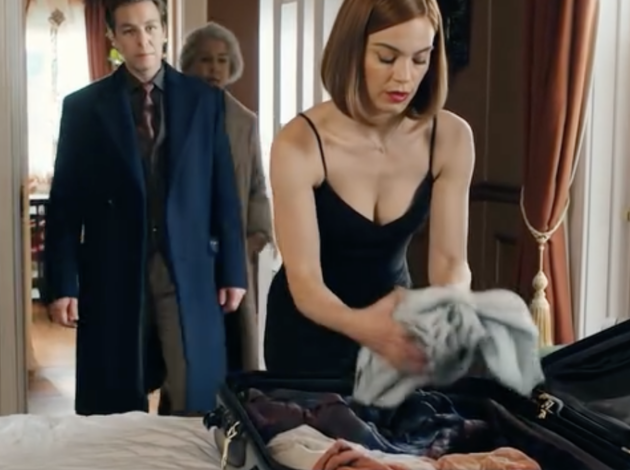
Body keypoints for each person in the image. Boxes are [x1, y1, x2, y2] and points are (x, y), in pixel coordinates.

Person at [44, 0, 247, 415]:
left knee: (196, 393)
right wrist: (62, 283)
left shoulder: (205, 101)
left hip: (188, 268)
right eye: (130, 31)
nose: (144, 40)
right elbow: (64, 203)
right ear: (113, 38)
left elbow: (223, 192)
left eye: (151, 27)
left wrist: (233, 270)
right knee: (114, 399)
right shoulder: (83, 108)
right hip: (112, 269)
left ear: (165, 30)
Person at [264, 0, 474, 379]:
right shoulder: (299, 143)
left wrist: (450, 306)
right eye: (386, 57)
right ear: (352, 51)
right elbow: (306, 281)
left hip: (395, 333)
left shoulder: (451, 138)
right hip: (309, 337)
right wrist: (371, 329)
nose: (404, 77)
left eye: (420, 59)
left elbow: (450, 263)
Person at [180, 22, 273, 372]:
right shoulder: (169, 115)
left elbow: (257, 185)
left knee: (234, 347)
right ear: (189, 64)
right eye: (205, 60)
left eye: (222, 60)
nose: (214, 68)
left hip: (232, 251)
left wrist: (256, 236)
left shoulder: (244, 121)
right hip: (185, 252)